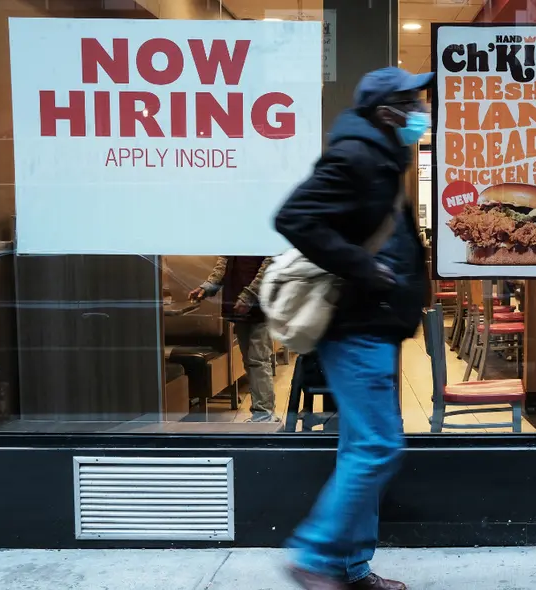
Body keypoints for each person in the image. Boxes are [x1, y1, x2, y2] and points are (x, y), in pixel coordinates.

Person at [274, 67, 432, 590]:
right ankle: (314, 557)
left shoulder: (383, 157)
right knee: (378, 446)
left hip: (377, 326)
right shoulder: (357, 155)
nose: (421, 110)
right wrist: (362, 267)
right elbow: (295, 217)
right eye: (412, 101)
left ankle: (350, 568)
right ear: (387, 111)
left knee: (360, 446)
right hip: (356, 327)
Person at [188, 256, 278, 423]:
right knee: (251, 361)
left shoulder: (259, 234)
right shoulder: (235, 234)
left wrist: (249, 295)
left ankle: (264, 413)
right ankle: (263, 413)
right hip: (240, 303)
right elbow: (224, 263)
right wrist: (207, 287)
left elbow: (269, 267)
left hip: (260, 304)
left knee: (258, 360)